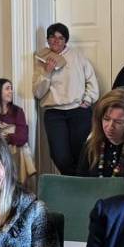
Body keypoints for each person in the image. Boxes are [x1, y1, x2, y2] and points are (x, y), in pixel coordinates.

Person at [34, 23, 98, 175]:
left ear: (65, 41)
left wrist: (88, 99)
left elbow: (91, 81)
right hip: (54, 113)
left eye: (60, 38)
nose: (56, 41)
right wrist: (47, 72)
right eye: (52, 37)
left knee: (82, 153)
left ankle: (79, 183)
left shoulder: (77, 57)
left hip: (78, 111)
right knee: (59, 156)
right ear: (48, 40)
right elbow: (38, 93)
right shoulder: (42, 59)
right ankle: (72, 180)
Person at [77, 88, 124, 177]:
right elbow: (81, 179)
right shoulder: (91, 145)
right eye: (106, 119)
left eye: (118, 122)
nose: (110, 127)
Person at [0, 77, 32, 185]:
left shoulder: (17, 111)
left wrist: (7, 137)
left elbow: (22, 137)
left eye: (11, 88)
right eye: (7, 88)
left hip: (14, 152)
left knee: (20, 149)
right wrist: (8, 134)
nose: (11, 91)